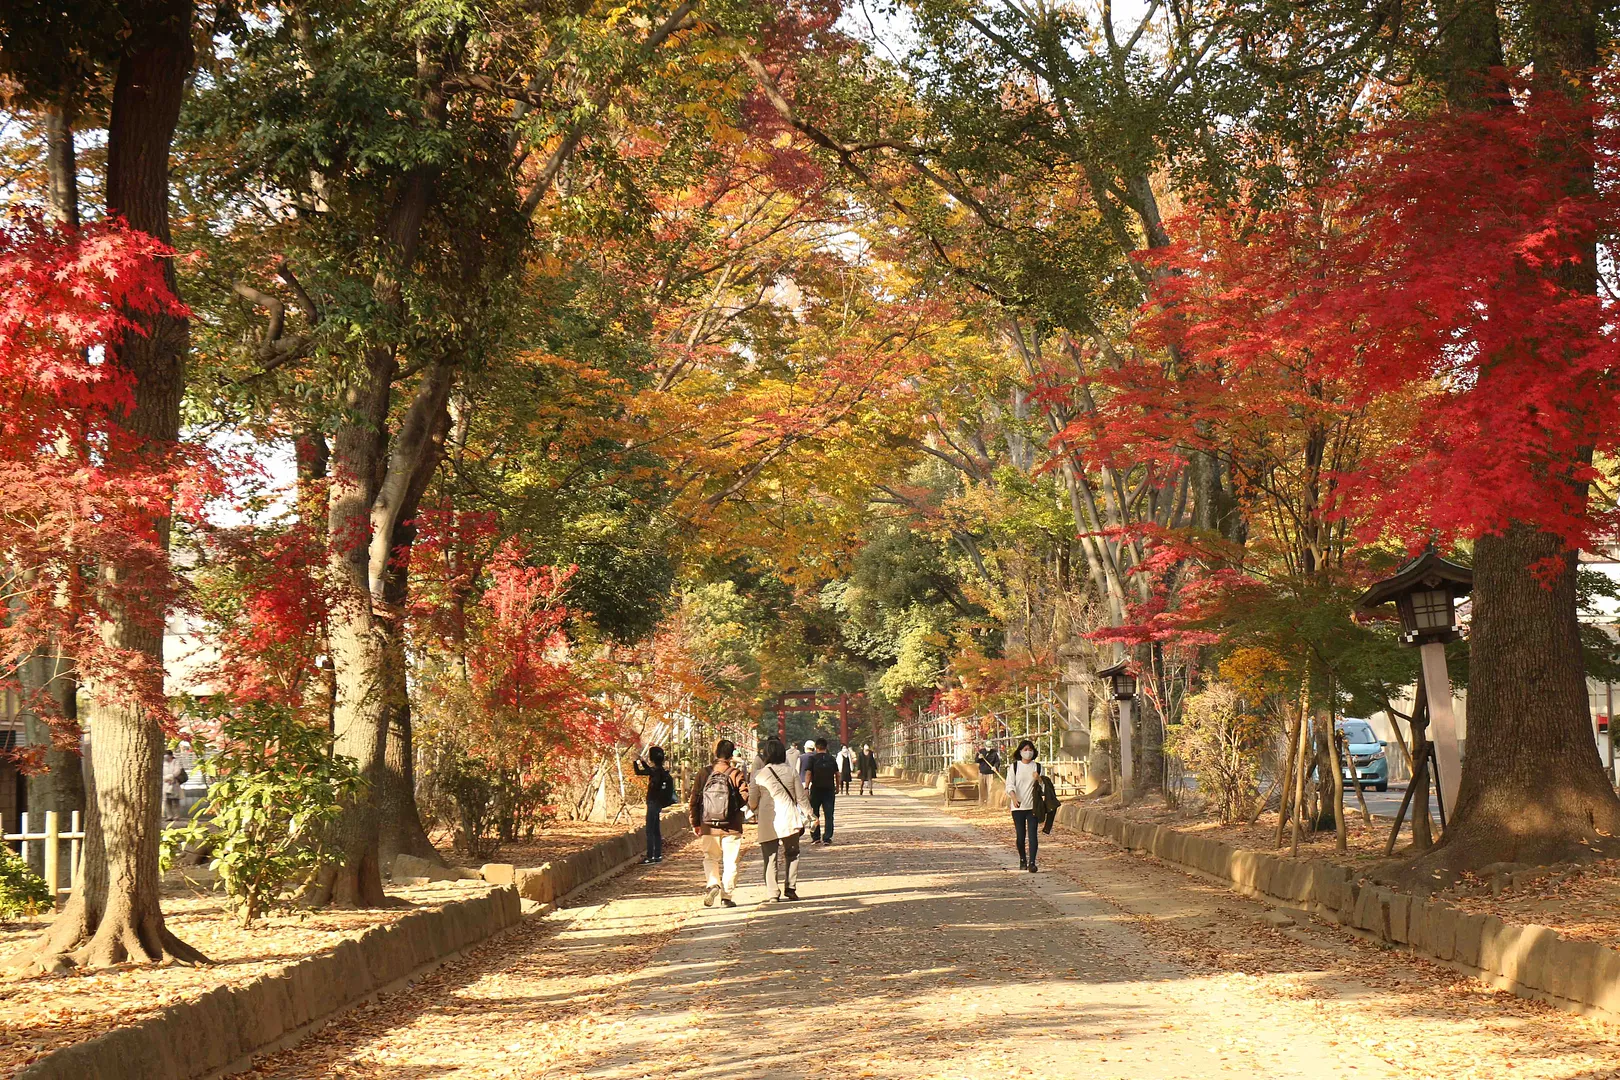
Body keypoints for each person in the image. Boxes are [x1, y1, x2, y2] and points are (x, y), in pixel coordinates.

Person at [689, 738, 750, 907]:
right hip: (731, 825)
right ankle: (726, 897)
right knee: (731, 861)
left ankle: (713, 883)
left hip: (708, 824)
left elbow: (694, 799)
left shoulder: (704, 773)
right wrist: (733, 807)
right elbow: (745, 796)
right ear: (731, 755)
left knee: (710, 857)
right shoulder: (735, 773)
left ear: (715, 753)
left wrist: (695, 822)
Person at [749, 737, 809, 903]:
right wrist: (811, 815)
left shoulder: (759, 775)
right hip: (789, 817)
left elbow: (752, 801)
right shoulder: (791, 772)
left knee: (770, 857)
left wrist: (753, 808)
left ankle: (773, 892)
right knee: (792, 854)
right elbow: (801, 797)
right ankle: (790, 888)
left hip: (768, 819)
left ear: (766, 754)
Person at [1005, 739, 1045, 873]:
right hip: (1018, 807)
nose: (1028, 752)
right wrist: (1014, 797)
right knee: (1020, 836)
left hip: (1033, 806)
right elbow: (1009, 784)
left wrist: (1039, 779)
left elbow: (1045, 787)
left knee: (1033, 835)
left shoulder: (1038, 767)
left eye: (1030, 750)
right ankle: (1022, 859)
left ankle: (1032, 862)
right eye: (1025, 750)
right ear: (1020, 752)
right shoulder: (1014, 767)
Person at [633, 746, 676, 864]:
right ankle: (657, 855)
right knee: (656, 829)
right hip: (659, 803)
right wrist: (642, 761)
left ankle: (650, 856)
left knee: (649, 830)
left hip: (652, 802)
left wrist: (635, 761)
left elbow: (638, 772)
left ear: (652, 758)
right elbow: (649, 770)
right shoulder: (662, 771)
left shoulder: (654, 771)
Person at [802, 737, 839, 844]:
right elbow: (837, 774)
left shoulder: (812, 759)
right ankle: (827, 837)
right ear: (826, 747)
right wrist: (837, 786)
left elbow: (808, 773)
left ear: (816, 748)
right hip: (829, 789)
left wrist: (806, 787)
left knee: (814, 814)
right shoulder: (831, 758)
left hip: (816, 789)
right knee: (829, 814)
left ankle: (815, 837)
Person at [162, 750, 186, 823]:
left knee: (175, 800)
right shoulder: (163, 763)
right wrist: (165, 778)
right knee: (166, 800)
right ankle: (169, 816)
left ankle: (176, 816)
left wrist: (170, 777)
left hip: (174, 782)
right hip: (165, 783)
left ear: (171, 755)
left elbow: (177, 771)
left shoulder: (176, 762)